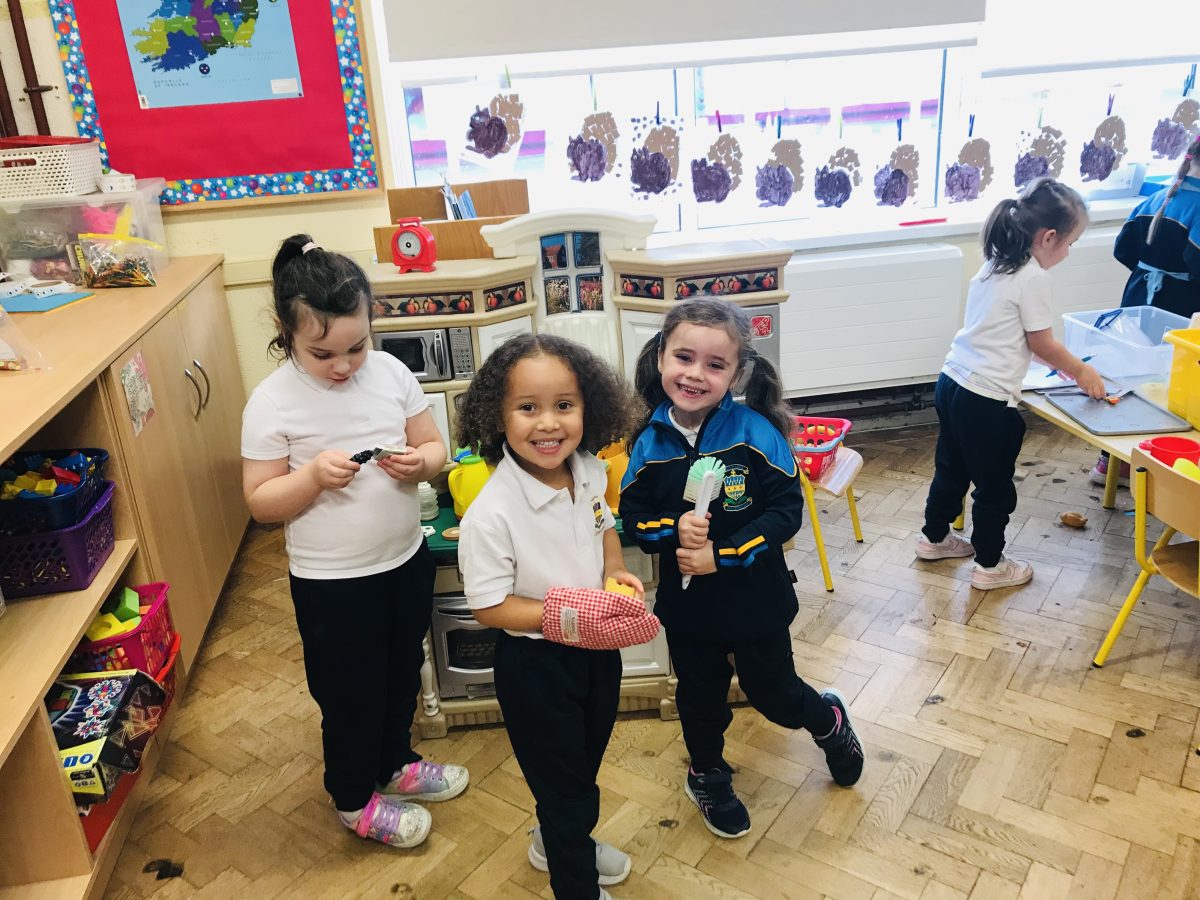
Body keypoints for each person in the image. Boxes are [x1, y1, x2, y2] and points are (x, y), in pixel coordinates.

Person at [241, 235, 468, 849]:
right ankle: (352, 798)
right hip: (332, 584)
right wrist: (312, 477)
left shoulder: (390, 373)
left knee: (401, 673)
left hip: (404, 559)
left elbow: (435, 447)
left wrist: (421, 463)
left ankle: (394, 762)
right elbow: (260, 502)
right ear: (286, 333)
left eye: (356, 346)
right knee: (350, 694)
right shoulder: (272, 401)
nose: (343, 366)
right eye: (322, 353)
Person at [618, 298, 864, 841]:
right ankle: (706, 773)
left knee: (774, 693)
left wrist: (722, 554)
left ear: (736, 373)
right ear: (660, 357)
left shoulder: (756, 433)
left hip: (757, 597)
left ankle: (827, 720)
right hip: (689, 608)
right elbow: (632, 519)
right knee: (699, 697)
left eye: (715, 364)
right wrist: (672, 530)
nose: (695, 374)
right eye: (684, 357)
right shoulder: (648, 442)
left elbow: (785, 512)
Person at [456, 334, 649, 900]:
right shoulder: (492, 514)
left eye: (564, 405)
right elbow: (488, 605)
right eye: (527, 407)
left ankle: (556, 840)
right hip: (536, 667)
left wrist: (616, 569)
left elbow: (603, 524)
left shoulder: (588, 470)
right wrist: (569, 615)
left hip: (597, 653)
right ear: (498, 416)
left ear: (589, 407)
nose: (548, 423)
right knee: (567, 789)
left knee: (580, 765)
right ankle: (574, 881)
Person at [917, 179, 1105, 589]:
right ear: (1049, 237)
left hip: (952, 381)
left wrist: (1049, 363)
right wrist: (1082, 371)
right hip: (986, 400)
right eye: (1070, 243)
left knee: (951, 468)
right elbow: (1042, 342)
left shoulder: (996, 262)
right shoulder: (1034, 278)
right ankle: (990, 566)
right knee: (994, 487)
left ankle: (934, 538)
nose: (1069, 252)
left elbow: (1006, 332)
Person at [1092, 135, 1200, 484]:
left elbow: (1122, 249)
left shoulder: (1156, 198)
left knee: (1130, 376)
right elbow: (1196, 261)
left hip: (1138, 294)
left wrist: (1149, 273)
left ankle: (1110, 463)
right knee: (1171, 385)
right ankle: (1157, 466)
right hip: (1181, 302)